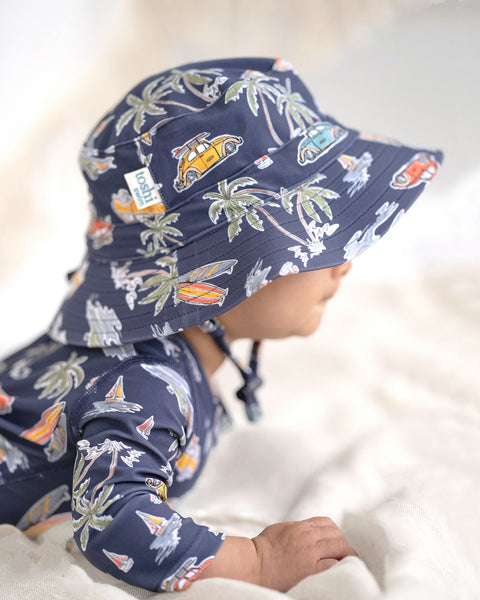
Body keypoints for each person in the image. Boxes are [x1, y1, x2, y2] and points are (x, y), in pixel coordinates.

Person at [0, 57, 442, 593]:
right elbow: (112, 520)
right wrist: (257, 561)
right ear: (219, 270)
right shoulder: (147, 385)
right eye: (318, 240)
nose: (344, 264)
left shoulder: (154, 362)